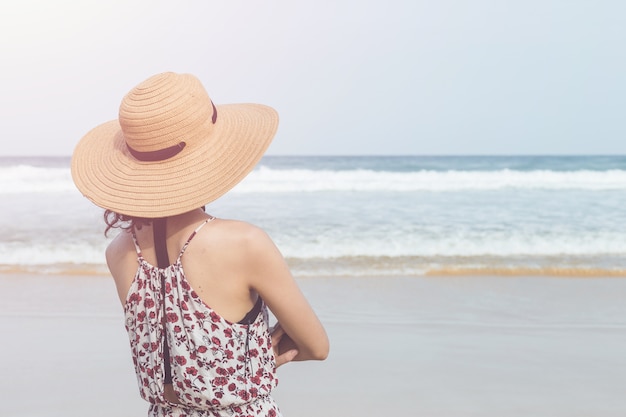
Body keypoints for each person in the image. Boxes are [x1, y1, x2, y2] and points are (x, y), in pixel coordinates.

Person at [71, 72, 329, 417]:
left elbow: (170, 349)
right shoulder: (244, 242)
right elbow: (315, 346)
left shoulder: (119, 252)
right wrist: (251, 360)